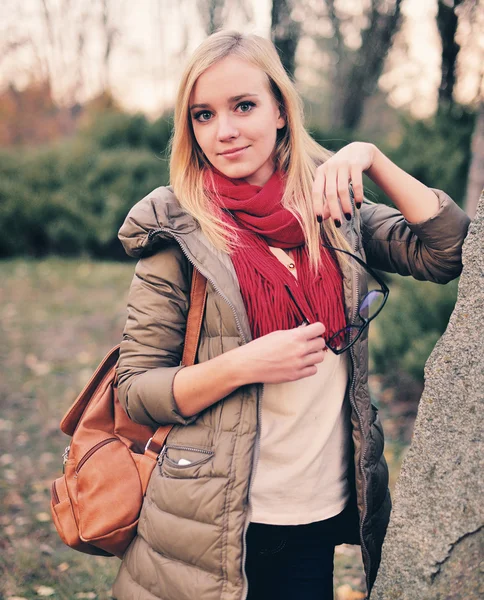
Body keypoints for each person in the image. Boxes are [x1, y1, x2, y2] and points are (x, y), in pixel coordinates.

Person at [111, 30, 470, 600]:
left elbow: (445, 251)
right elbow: (134, 391)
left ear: (281, 109)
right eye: (203, 115)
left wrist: (371, 158)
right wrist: (245, 363)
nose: (224, 130)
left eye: (244, 105)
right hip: (212, 521)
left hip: (313, 511)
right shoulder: (177, 231)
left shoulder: (333, 206)